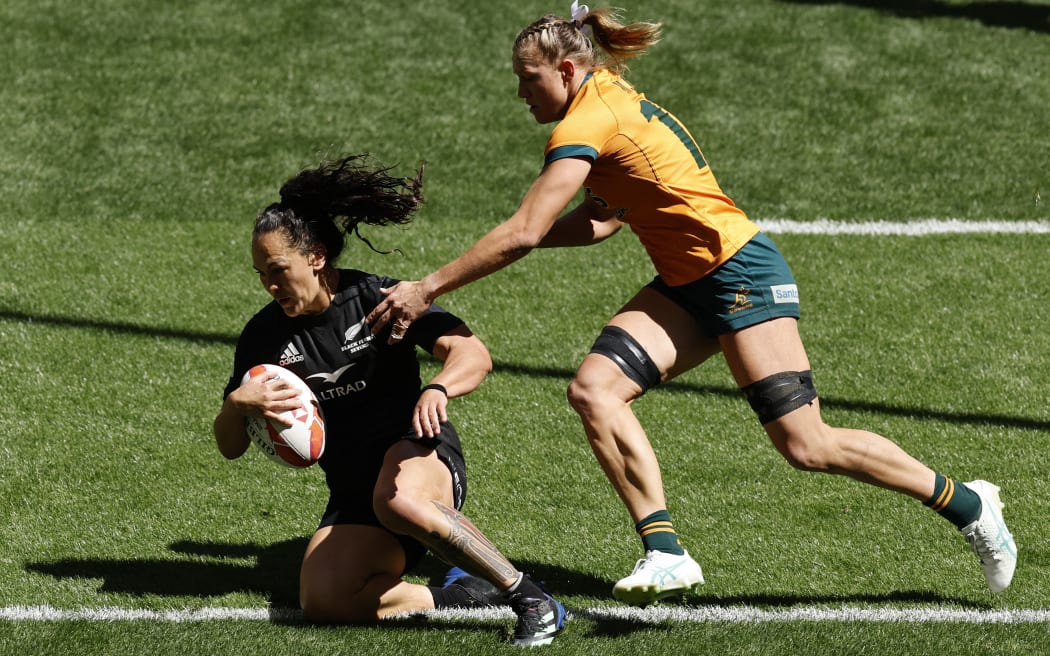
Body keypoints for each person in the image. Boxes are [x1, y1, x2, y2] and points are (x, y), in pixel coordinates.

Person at [365, 4, 1018, 605]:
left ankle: (968, 505)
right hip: (688, 281)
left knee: (807, 444)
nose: (520, 92)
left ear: (566, 70)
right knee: (595, 390)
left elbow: (526, 228)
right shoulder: (605, 97)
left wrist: (429, 287)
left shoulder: (589, 118)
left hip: (742, 274)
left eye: (528, 78)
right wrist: (525, 244)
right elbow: (602, 219)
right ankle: (666, 552)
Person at [212, 154, 566, 646]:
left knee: (396, 497)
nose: (270, 286)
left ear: (315, 256)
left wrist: (438, 387)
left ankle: (530, 597)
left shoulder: (378, 298)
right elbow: (229, 446)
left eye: (277, 270)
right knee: (325, 599)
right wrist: (237, 404)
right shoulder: (263, 337)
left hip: (420, 457)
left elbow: (473, 354)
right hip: (355, 490)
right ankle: (463, 596)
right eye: (260, 275)